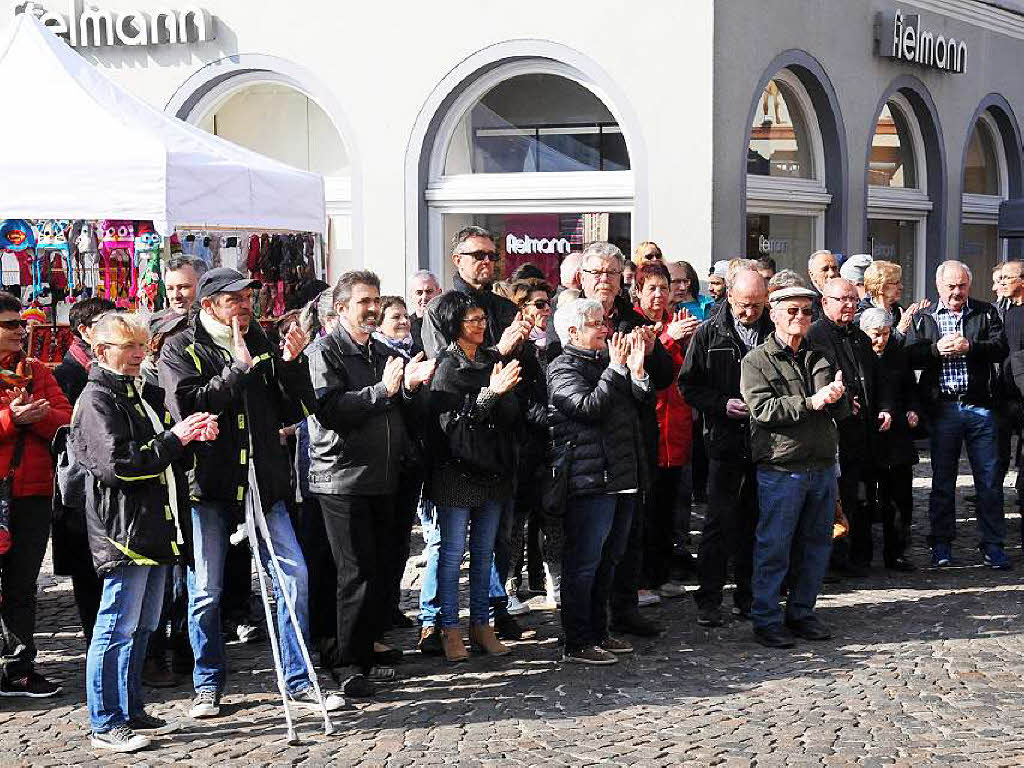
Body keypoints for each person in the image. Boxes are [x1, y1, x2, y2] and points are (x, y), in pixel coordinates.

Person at [158, 267, 343, 718]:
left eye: (247, 298)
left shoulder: (260, 339)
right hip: (211, 486)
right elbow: (188, 406)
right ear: (209, 306)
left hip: (264, 479)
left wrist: (294, 365)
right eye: (233, 299)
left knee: (292, 576)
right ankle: (207, 684)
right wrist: (237, 371)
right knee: (206, 589)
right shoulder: (181, 347)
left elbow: (294, 408)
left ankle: (299, 678)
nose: (244, 306)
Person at [73, 313, 217, 752]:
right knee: (116, 626)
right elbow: (120, 466)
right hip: (124, 531)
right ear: (102, 352)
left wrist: (189, 439)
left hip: (155, 527)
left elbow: (161, 455)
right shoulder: (98, 399)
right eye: (128, 347)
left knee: (141, 627)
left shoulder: (137, 394)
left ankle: (130, 709)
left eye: (141, 345)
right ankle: (105, 720)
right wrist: (175, 439)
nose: (138, 354)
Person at [306, 272, 435, 696]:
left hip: (384, 477)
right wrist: (384, 390)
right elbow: (331, 409)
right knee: (353, 572)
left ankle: (362, 648)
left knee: (378, 569)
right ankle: (344, 661)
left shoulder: (381, 350)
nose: (372, 308)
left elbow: (399, 406)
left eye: (376, 300)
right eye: (364, 301)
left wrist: (412, 388)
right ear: (341, 308)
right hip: (341, 478)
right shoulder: (325, 351)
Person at [420, 227, 533, 642]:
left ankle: (490, 611)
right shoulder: (440, 308)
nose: (487, 262)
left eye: (492, 256)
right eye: (478, 255)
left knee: (495, 539)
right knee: (446, 547)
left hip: (500, 441)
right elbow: (448, 377)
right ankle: (436, 620)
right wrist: (497, 359)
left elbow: (521, 373)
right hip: (459, 450)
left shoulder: (505, 307)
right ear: (458, 260)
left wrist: (521, 345)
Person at [741, 285, 851, 648]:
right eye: (791, 311)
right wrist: (811, 402)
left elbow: (838, 407)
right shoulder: (756, 360)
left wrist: (837, 399)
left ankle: (802, 612)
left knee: (817, 545)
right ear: (773, 314)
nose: (799, 318)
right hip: (782, 468)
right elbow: (763, 410)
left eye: (805, 311)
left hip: (820, 465)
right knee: (774, 546)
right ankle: (767, 618)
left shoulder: (821, 356)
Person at [573, 242, 674, 637]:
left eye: (611, 274)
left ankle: (625, 607)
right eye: (596, 273)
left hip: (633, 439)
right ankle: (586, 620)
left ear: (622, 280)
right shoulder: (569, 317)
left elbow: (665, 378)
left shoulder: (633, 320)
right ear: (582, 278)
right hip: (587, 443)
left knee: (630, 531)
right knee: (592, 539)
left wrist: (651, 353)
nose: (603, 280)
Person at [548, 298, 651, 664]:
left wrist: (637, 373)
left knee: (609, 562)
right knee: (584, 564)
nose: (606, 329)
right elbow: (587, 408)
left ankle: (599, 631)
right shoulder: (562, 367)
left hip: (621, 475)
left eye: (604, 321)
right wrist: (617, 368)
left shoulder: (606, 364)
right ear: (573, 332)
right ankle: (577, 641)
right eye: (596, 324)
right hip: (589, 480)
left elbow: (636, 406)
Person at [426, 290, 522, 662]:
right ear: (455, 325)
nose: (481, 326)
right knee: (452, 556)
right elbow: (452, 427)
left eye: (484, 320)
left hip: (493, 468)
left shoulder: (491, 359)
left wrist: (501, 394)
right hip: (457, 471)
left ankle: (482, 625)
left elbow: (510, 414)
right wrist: (490, 395)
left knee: (485, 554)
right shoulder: (446, 367)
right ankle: (449, 628)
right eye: (473, 321)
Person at [680, 269, 773, 627]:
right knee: (719, 522)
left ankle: (748, 596)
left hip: (765, 441)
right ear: (730, 297)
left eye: (757, 305)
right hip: (724, 440)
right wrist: (721, 404)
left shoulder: (772, 331)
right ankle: (709, 599)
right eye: (744, 305)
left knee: (756, 522)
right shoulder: (709, 332)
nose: (749, 312)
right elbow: (688, 385)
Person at [905, 260, 1010, 569]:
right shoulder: (924, 317)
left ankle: (992, 545)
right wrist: (936, 349)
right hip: (943, 406)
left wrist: (970, 346)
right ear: (939, 287)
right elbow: (910, 354)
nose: (957, 292)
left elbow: (1000, 347)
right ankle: (941, 543)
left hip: (979, 405)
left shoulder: (984, 311)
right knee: (942, 479)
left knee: (989, 480)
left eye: (962, 286)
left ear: (969, 286)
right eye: (951, 286)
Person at [0, 291, 72, 697]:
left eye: (22, 325)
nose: (21, 332)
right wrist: (12, 418)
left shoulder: (37, 371)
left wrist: (40, 417)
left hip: (32, 493)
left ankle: (18, 667)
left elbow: (67, 419)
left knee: (22, 584)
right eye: (11, 325)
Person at [806, 277, 893, 575]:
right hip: (832, 431)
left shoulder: (858, 336)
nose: (849, 305)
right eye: (842, 299)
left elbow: (879, 378)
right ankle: (829, 562)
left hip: (862, 432)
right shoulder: (815, 335)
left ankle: (855, 556)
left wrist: (885, 408)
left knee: (858, 496)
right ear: (825, 302)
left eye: (853, 300)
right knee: (831, 499)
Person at [51, 296, 115, 649]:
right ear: (85, 331)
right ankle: (99, 649)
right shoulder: (67, 374)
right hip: (79, 494)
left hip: (110, 492)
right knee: (89, 577)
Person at [633, 262, 697, 600]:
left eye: (664, 287)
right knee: (646, 512)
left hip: (678, 428)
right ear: (640, 291)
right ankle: (642, 579)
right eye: (652, 288)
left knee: (667, 509)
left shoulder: (680, 320)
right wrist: (668, 340)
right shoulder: (636, 324)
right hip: (651, 428)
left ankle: (660, 574)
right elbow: (651, 372)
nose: (659, 295)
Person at [498, 279, 558, 608]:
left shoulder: (554, 343)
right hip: (522, 443)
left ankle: (538, 578)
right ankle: (510, 582)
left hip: (548, 444)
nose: (546, 309)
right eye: (538, 304)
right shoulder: (516, 347)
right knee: (516, 517)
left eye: (548, 303)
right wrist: (549, 416)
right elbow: (517, 396)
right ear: (522, 309)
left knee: (543, 513)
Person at [859, 308, 919, 571]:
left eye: (885, 334)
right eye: (875, 335)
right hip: (866, 438)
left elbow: (910, 389)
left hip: (897, 439)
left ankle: (896, 552)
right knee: (863, 500)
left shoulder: (897, 353)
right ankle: (860, 554)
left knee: (898, 498)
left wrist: (912, 410)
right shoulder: (858, 354)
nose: (880, 340)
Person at [858, 260, 931, 339]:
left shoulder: (899, 311)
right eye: (896, 283)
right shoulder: (863, 315)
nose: (901, 287)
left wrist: (918, 318)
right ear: (880, 288)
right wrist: (900, 330)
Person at [407, 270, 441, 354]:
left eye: (429, 291)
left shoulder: (448, 322)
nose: (424, 297)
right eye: (419, 293)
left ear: (439, 293)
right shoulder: (406, 326)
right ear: (411, 295)